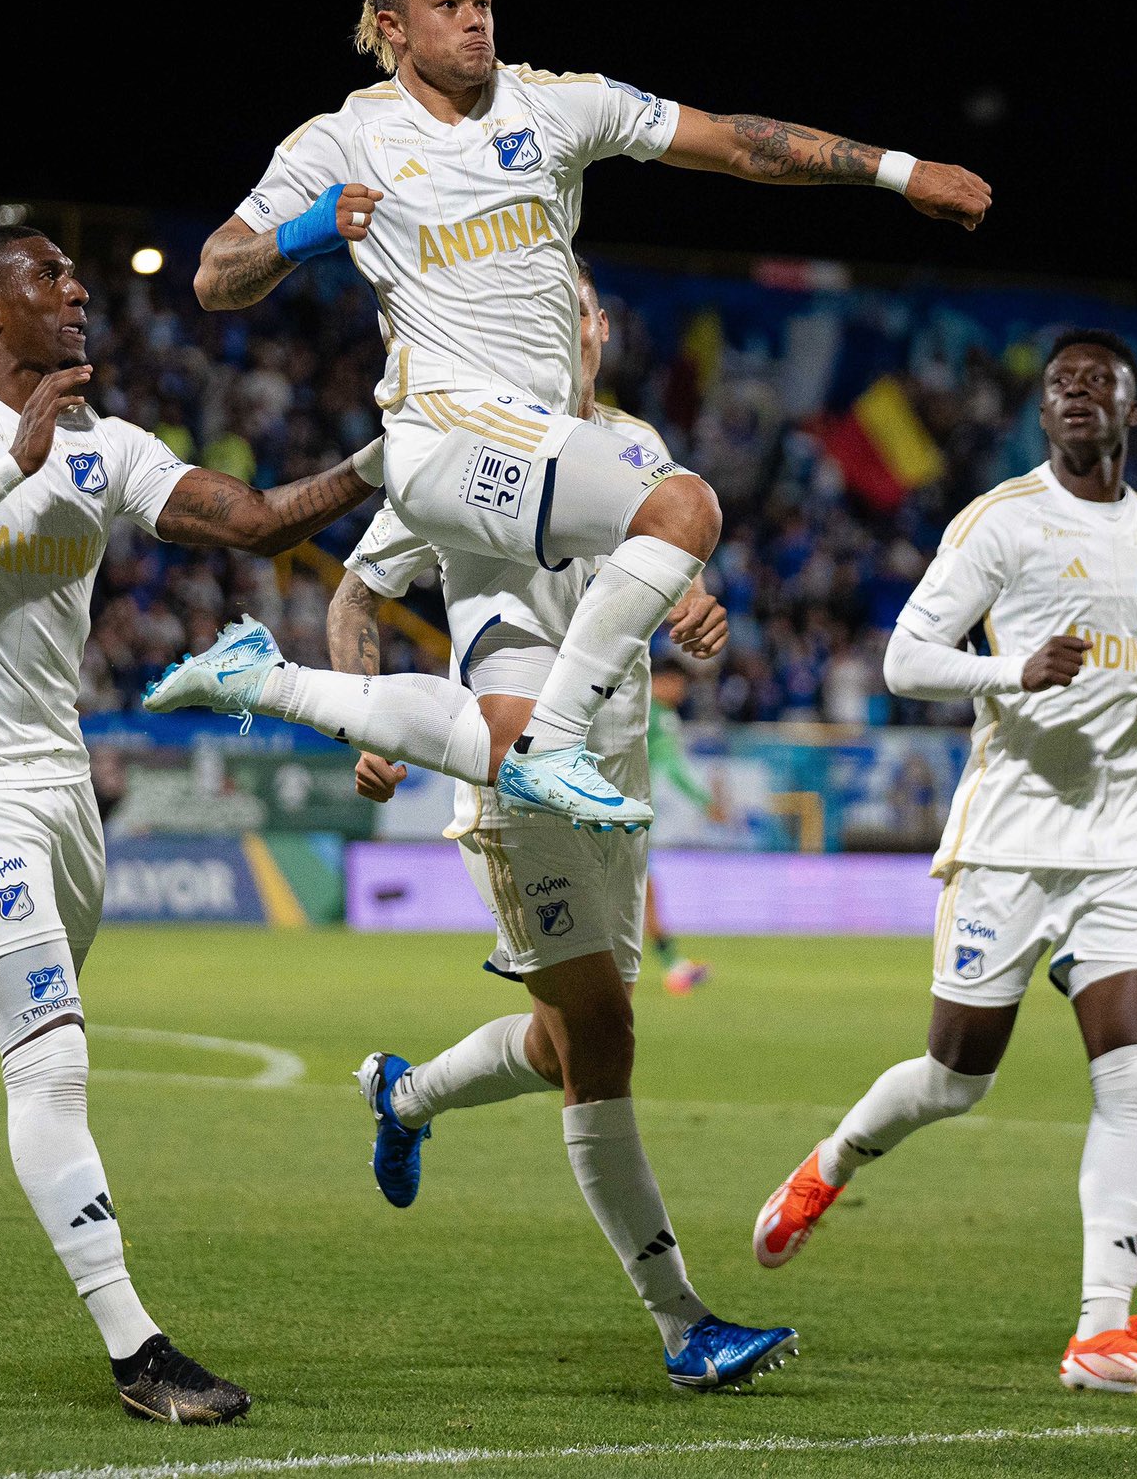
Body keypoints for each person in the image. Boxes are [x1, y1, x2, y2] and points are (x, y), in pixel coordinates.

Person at [0, 226, 383, 1425]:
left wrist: (383, 460)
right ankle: (134, 1347)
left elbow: (248, 521)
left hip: (58, 780)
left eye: (75, 277)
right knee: (49, 1042)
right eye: (50, 277)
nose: (78, 290)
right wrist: (5, 468)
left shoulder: (103, 444)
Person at [150, 0, 989, 833]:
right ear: (392, 27)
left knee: (502, 746)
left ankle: (263, 679)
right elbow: (212, 275)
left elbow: (736, 144)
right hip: (445, 430)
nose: (477, 21)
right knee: (686, 508)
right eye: (450, 6)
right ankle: (559, 743)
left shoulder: (556, 106)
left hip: (525, 451)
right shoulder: (340, 139)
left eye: (484, 2)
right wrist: (301, 233)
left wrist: (899, 172)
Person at [303, 260, 791, 1392]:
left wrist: (691, 604)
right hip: (516, 771)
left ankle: (405, 1093)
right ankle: (682, 1327)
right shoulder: (451, 449)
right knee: (604, 1034)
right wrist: (365, 720)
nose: (546, 330)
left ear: (596, 329)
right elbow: (354, 595)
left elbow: (658, 575)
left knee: (575, 1036)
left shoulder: (631, 446)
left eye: (563, 313)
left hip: (615, 778)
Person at [751, 331, 1137, 1395]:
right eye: (1057, 385)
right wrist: (1010, 669)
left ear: (1130, 410)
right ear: (1040, 412)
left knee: (1134, 1071)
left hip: (1118, 835)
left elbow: (1114, 673)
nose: (1073, 397)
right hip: (1010, 839)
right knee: (952, 1079)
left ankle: (1098, 1333)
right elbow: (903, 659)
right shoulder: (999, 522)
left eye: (1095, 384)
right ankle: (827, 1165)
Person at [644, 658, 716, 993]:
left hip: (612, 812)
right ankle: (673, 966)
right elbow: (673, 766)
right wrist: (706, 800)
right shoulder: (658, 715)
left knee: (643, 893)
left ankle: (674, 965)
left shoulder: (632, 706)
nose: (682, 692)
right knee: (642, 893)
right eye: (679, 683)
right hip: (621, 814)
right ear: (662, 681)